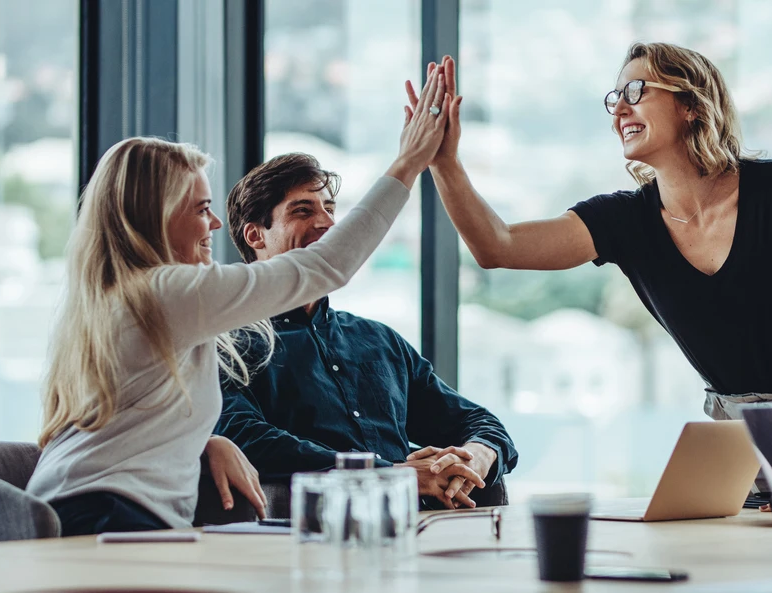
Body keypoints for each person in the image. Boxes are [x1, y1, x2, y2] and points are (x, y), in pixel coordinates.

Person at [414, 44, 772, 503]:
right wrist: (445, 162)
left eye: (637, 91)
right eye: (615, 98)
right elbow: (497, 246)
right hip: (745, 425)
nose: (619, 109)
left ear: (690, 103)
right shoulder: (624, 221)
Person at [25, 62, 456, 535]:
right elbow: (326, 265)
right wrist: (408, 163)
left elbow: (130, 419)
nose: (214, 224)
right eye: (201, 209)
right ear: (156, 216)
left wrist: (205, 442)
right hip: (105, 517)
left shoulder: (117, 298)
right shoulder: (164, 293)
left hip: (80, 509)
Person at [213, 152, 519, 510]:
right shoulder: (227, 344)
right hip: (310, 528)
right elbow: (243, 437)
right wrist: (389, 474)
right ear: (255, 235)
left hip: (419, 526)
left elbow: (477, 421)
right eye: (303, 210)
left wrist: (477, 455)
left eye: (329, 208)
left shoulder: (379, 340)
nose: (327, 223)